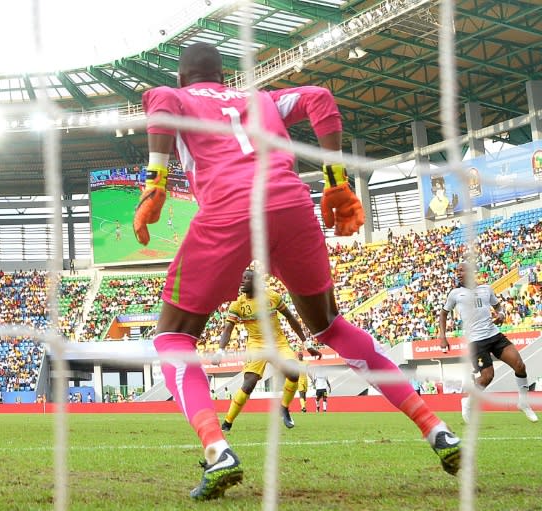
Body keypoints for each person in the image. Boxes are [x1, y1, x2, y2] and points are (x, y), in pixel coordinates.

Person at [134, 42, 460, 500]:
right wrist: (336, 182)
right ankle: (437, 429)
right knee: (330, 326)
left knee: (173, 336)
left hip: (228, 212)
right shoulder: (261, 99)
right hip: (289, 204)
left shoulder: (179, 96)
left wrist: (156, 183)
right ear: (223, 76)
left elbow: (160, 101)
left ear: (184, 76)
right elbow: (320, 99)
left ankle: (217, 449)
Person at [439, 261, 538, 423]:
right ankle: (468, 401)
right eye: (456, 271)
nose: (458, 273)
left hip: (494, 335)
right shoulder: (455, 294)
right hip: (476, 342)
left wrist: (501, 314)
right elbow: (443, 314)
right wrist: (443, 337)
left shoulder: (486, 289)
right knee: (487, 376)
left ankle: (523, 402)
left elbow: (498, 307)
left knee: (520, 365)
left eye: (462, 270)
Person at [217, 269, 308, 431]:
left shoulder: (272, 297)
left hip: (278, 343)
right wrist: (220, 350)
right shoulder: (237, 304)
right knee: (249, 383)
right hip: (256, 345)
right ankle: (227, 422)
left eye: (246, 278)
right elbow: (227, 329)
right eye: (241, 278)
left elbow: (290, 318)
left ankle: (284, 407)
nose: (242, 281)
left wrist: (305, 342)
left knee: (294, 373)